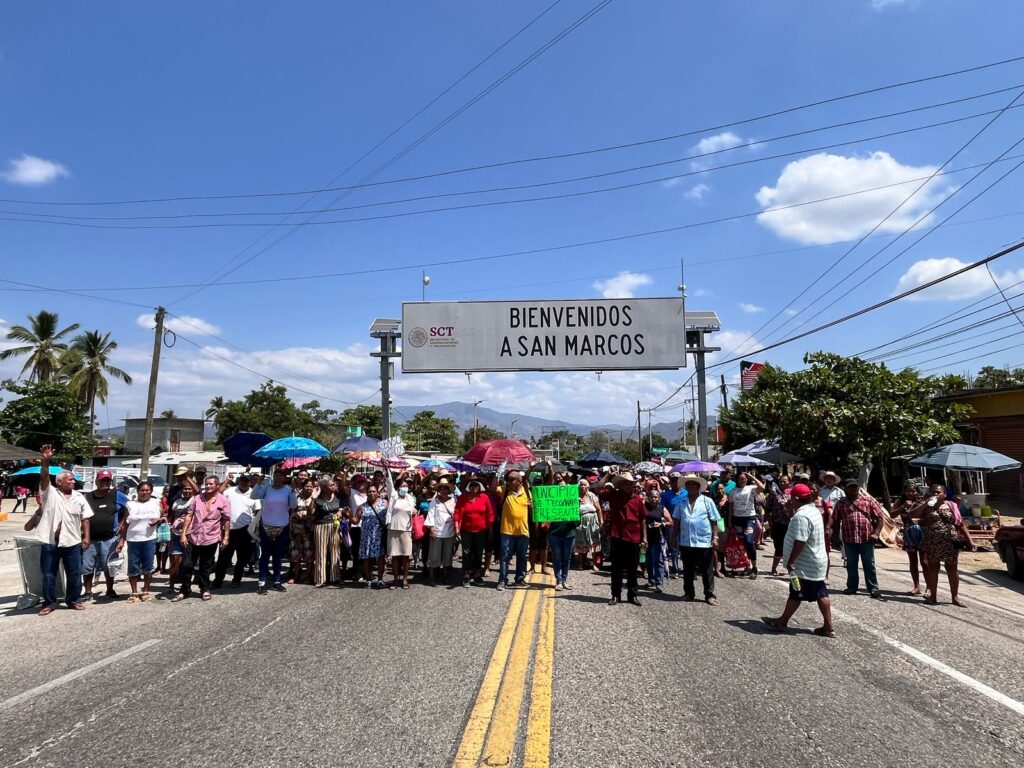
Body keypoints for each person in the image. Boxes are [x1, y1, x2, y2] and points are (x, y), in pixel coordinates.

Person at [24, 446, 91, 615]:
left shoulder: (79, 497)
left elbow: (85, 518)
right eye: (69, 479)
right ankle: (49, 603)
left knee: (74, 574)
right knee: (48, 575)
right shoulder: (50, 493)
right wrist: (46, 460)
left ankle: (73, 600)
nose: (73, 481)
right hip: (51, 541)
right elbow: (44, 477)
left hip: (73, 541)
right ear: (59, 482)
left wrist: (86, 537)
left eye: (73, 479)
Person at [763, 483, 835, 638]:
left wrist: (790, 561)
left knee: (797, 592)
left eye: (791, 498)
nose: (790, 501)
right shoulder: (814, 510)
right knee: (819, 592)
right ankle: (827, 627)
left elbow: (800, 541)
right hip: (816, 561)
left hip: (805, 564)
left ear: (796, 498)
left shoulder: (802, 516)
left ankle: (782, 622)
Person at [175, 475, 230, 602]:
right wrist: (183, 534)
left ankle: (204, 588)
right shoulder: (197, 498)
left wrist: (226, 537)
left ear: (217, 485)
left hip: (210, 538)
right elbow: (189, 516)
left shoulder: (223, 500)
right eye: (206, 484)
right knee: (186, 565)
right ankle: (185, 589)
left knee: (205, 566)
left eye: (211, 484)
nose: (208, 486)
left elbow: (226, 520)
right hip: (194, 537)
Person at [918, 484, 975, 607]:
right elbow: (912, 514)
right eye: (933, 492)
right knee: (933, 568)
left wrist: (970, 540)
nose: (935, 494)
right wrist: (924, 503)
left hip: (950, 542)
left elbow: (960, 524)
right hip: (933, 542)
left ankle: (955, 597)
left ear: (944, 494)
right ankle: (933, 596)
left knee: (952, 569)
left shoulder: (951, 505)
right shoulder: (926, 506)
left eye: (938, 492)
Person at [671, 474, 720, 604]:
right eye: (689, 484)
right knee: (688, 569)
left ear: (698, 487)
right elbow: (676, 521)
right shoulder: (681, 502)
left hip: (703, 541)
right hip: (686, 541)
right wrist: (674, 537)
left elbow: (714, 520)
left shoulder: (707, 501)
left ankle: (709, 594)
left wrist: (715, 537)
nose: (691, 486)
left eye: (694, 484)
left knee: (706, 570)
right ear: (686, 487)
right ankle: (688, 593)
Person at [833, 478, 883, 598]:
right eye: (850, 487)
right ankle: (852, 587)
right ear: (845, 488)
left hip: (866, 538)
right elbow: (836, 520)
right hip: (849, 539)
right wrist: (835, 536)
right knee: (851, 564)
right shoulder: (841, 503)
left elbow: (880, 517)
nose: (853, 489)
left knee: (869, 564)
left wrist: (876, 533)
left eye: (855, 487)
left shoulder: (868, 500)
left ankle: (873, 588)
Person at [250, 469, 297, 595]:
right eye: (275, 476)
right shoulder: (267, 488)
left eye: (280, 476)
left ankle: (277, 581)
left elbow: (293, 505)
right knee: (265, 555)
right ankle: (261, 582)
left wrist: (293, 491)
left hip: (282, 526)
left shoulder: (288, 489)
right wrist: (258, 483)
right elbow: (253, 496)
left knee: (277, 556)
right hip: (266, 526)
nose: (277, 478)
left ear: (284, 478)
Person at [82, 469, 126, 601]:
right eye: (102, 480)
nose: (105, 483)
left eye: (107, 481)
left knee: (109, 565)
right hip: (91, 539)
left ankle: (110, 589)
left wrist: (122, 524)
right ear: (96, 481)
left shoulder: (117, 495)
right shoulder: (87, 497)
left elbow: (129, 509)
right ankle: (88, 592)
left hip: (110, 538)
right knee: (87, 566)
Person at [117, 481, 164, 603]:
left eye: (147, 490)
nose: (145, 492)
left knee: (148, 566)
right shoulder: (130, 504)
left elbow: (164, 517)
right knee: (133, 567)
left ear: (151, 492)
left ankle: (146, 591)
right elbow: (125, 524)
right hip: (133, 540)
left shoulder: (156, 503)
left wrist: (159, 520)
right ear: (137, 491)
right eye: (142, 490)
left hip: (150, 539)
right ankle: (134, 592)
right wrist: (122, 540)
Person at [214, 473, 258, 589]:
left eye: (246, 481)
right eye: (242, 480)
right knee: (223, 558)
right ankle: (218, 581)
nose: (244, 482)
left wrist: (254, 528)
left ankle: (236, 579)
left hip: (246, 530)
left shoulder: (254, 493)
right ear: (239, 480)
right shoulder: (230, 491)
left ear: (250, 482)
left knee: (242, 559)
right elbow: (218, 493)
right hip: (229, 529)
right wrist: (226, 480)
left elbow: (257, 511)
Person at [605, 471, 643, 606]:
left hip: (634, 537)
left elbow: (642, 519)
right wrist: (608, 476)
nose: (628, 486)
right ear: (620, 485)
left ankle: (632, 595)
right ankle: (615, 595)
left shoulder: (638, 499)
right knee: (616, 568)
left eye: (630, 484)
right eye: (625, 483)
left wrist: (644, 538)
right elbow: (598, 488)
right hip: (617, 536)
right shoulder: (614, 495)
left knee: (633, 569)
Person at [492, 470, 531, 590]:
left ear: (519, 481)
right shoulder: (504, 490)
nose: (508, 481)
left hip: (523, 531)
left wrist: (532, 507)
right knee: (505, 557)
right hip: (507, 531)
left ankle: (519, 579)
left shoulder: (526, 491)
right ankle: (502, 580)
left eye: (511, 479)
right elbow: (493, 489)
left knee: (522, 556)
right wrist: (496, 474)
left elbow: (532, 508)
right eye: (508, 479)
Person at [454, 479, 494, 587]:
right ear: (468, 487)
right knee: (466, 552)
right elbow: (457, 512)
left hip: (481, 530)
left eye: (476, 485)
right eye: (471, 485)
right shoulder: (463, 498)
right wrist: (456, 527)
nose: (474, 487)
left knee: (478, 552)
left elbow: (490, 514)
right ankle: (466, 575)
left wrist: (490, 528)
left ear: (479, 487)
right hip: (466, 530)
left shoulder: (484, 498)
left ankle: (476, 574)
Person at [726, 471, 765, 578]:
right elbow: (730, 506)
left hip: (749, 518)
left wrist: (752, 476)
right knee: (743, 543)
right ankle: (747, 566)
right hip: (737, 519)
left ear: (746, 479)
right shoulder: (733, 491)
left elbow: (762, 487)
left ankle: (754, 567)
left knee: (749, 541)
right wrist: (729, 521)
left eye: (744, 478)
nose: (742, 480)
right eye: (740, 478)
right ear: (737, 480)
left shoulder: (751, 488)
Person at [892, 482, 925, 595]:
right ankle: (916, 586)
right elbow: (891, 514)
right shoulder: (900, 501)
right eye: (908, 491)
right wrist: (902, 507)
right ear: (904, 492)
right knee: (913, 561)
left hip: (922, 532)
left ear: (917, 492)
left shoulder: (922, 502)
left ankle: (930, 587)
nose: (910, 493)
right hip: (908, 532)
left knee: (925, 561)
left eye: (913, 491)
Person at [385, 473, 417, 590]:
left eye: (406, 486)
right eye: (402, 486)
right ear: (398, 487)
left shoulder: (410, 498)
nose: (405, 488)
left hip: (406, 529)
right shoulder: (393, 495)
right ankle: (395, 580)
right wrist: (386, 468)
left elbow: (413, 509)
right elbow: (389, 483)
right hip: (393, 528)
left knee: (405, 556)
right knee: (395, 556)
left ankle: (404, 578)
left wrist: (414, 511)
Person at [547, 483, 579, 591]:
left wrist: (576, 507)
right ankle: (559, 581)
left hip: (569, 535)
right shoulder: (551, 503)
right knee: (556, 558)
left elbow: (578, 523)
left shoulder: (573, 504)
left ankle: (564, 580)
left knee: (566, 558)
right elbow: (544, 517)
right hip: (554, 534)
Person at [312, 477, 342, 588]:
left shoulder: (337, 496)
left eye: (334, 484)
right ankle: (320, 579)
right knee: (321, 552)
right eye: (331, 485)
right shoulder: (318, 498)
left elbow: (342, 507)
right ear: (324, 488)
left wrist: (340, 511)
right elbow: (311, 512)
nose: (334, 486)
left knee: (335, 551)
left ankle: (335, 577)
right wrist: (313, 499)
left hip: (334, 526)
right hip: (321, 526)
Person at [426, 479, 457, 585]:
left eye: (445, 488)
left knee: (447, 555)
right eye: (441, 488)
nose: (443, 491)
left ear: (449, 490)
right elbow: (430, 514)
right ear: (438, 490)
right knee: (434, 555)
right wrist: (431, 528)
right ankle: (431, 577)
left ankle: (445, 576)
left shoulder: (453, 501)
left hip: (449, 532)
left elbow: (456, 515)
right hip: (437, 531)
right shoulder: (435, 501)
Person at [642, 483, 673, 593]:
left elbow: (671, 522)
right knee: (648, 561)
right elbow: (643, 522)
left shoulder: (662, 509)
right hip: (647, 538)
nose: (653, 499)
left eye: (656, 497)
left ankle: (659, 584)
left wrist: (661, 524)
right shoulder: (645, 508)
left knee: (658, 561)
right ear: (648, 497)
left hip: (658, 539)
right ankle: (651, 580)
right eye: (651, 497)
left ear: (659, 499)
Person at [166, 482, 194, 594]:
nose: (187, 491)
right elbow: (172, 516)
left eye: (189, 489)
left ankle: (186, 585)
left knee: (188, 563)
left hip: (190, 534)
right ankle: (171, 585)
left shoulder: (196, 500)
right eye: (185, 489)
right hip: (176, 535)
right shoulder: (176, 502)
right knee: (175, 562)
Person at [358, 486, 388, 588]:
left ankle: (380, 579)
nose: (372, 493)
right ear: (367, 493)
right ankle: (368, 579)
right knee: (367, 558)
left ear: (377, 493)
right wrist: (348, 516)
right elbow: (355, 520)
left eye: (374, 491)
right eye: (369, 491)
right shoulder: (362, 506)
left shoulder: (384, 504)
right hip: (366, 536)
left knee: (380, 557)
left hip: (379, 535)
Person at [289, 478, 316, 585]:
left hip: (308, 531)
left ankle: (308, 576)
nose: (308, 488)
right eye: (307, 486)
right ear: (303, 487)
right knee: (295, 554)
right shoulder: (295, 496)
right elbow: (291, 509)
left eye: (311, 486)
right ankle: (296, 576)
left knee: (309, 554)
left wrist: (312, 500)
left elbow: (311, 513)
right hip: (294, 530)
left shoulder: (314, 499)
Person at [765, 476, 793, 576]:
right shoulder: (774, 493)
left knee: (790, 547)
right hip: (777, 523)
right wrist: (770, 523)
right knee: (779, 547)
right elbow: (768, 509)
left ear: (789, 482)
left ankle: (791, 569)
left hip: (790, 524)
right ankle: (773, 568)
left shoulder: (792, 493)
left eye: (784, 481)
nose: (782, 483)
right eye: (780, 481)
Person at [575, 478, 603, 573]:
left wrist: (601, 522)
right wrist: (576, 503)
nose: (582, 486)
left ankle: (595, 564)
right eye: (581, 485)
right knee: (581, 542)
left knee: (594, 541)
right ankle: (581, 562)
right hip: (581, 522)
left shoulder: (592, 496)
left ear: (588, 487)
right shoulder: (575, 497)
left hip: (592, 522)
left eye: (584, 485)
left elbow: (599, 510)